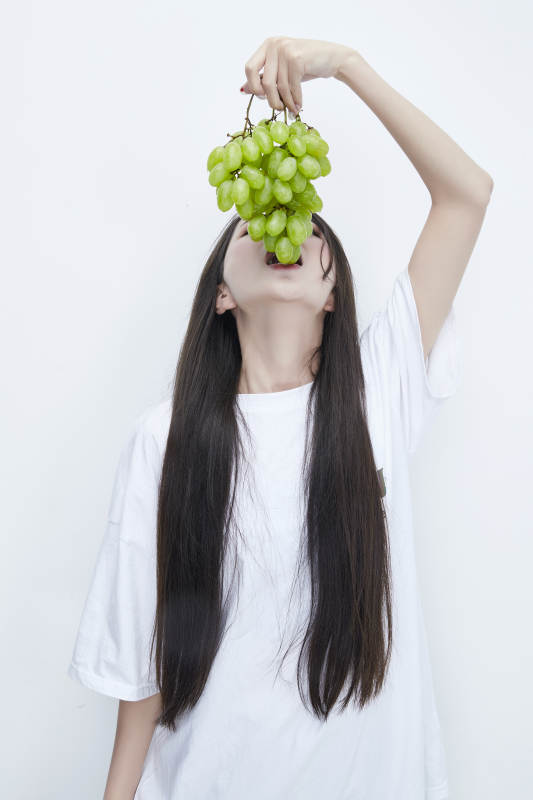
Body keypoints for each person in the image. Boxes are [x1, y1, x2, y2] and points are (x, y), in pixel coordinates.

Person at [67, 37, 493, 800]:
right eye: (250, 226)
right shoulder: (166, 439)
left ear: (333, 294)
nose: (285, 226)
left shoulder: (380, 390)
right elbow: (141, 663)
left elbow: (466, 193)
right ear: (221, 294)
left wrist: (346, 65)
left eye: (312, 229)